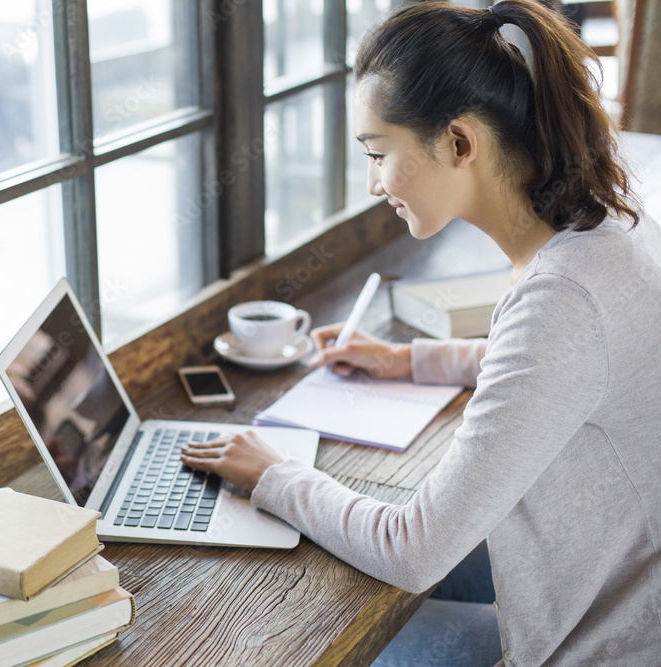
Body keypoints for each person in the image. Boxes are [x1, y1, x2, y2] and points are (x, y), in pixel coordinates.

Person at [181, 1, 661, 664]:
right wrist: (409, 358)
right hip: (601, 581)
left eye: (379, 154)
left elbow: (415, 547)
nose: (375, 182)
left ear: (460, 143)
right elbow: (561, 369)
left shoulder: (561, 300)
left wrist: (277, 473)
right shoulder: (602, 229)